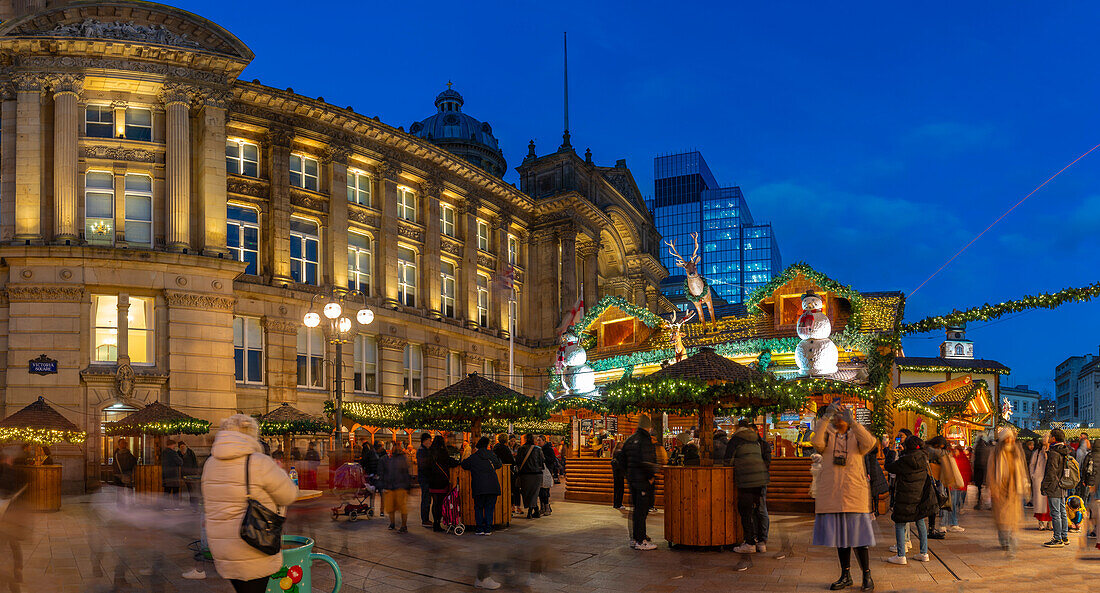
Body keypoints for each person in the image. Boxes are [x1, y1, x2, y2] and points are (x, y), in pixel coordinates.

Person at [202, 414, 297, 593]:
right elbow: (288, 495)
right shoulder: (258, 462)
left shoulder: (210, 464)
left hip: (222, 549)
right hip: (253, 544)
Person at [811, 405, 877, 592]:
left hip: (854, 494)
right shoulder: (827, 435)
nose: (839, 418)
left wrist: (854, 423)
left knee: (859, 539)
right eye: (836, 415)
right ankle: (845, 575)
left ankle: (867, 575)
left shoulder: (857, 436)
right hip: (833, 495)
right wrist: (824, 418)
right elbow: (816, 443)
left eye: (842, 415)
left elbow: (870, 443)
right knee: (841, 539)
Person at [884, 436, 936, 565]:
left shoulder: (904, 460)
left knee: (900, 523)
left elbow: (889, 467)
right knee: (920, 522)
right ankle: (924, 553)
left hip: (905, 497)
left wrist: (893, 451)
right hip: (920, 496)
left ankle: (901, 555)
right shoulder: (924, 458)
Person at [726, 419, 770, 554]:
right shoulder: (756, 438)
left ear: (737, 427)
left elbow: (727, 460)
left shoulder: (735, 439)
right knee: (758, 509)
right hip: (761, 478)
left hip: (746, 478)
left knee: (744, 510)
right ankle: (761, 543)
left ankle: (750, 543)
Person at [987, 428, 1029, 557]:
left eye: (1011, 438)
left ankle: (1011, 542)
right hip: (1000, 489)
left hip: (1014, 490)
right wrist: (993, 489)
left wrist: (1025, 485)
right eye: (1007, 438)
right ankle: (1004, 540)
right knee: (1001, 519)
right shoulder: (996, 453)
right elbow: (991, 471)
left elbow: (1022, 469)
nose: (1010, 440)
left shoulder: (1017, 452)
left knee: (1012, 519)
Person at [620, 414, 658, 551]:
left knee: (636, 510)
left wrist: (628, 474)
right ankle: (640, 540)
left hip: (633, 480)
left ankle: (636, 537)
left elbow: (621, 459)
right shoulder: (645, 440)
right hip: (643, 480)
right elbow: (647, 460)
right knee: (641, 510)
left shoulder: (630, 439)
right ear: (648, 427)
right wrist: (650, 476)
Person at [462, 437, 503, 535]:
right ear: (487, 445)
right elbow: (499, 465)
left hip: (479, 486)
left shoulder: (474, 457)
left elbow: (464, 465)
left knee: (479, 507)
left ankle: (479, 529)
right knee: (489, 508)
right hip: (492, 486)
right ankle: (488, 529)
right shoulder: (492, 455)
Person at [926, 436, 964, 535]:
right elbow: (935, 452)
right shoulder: (928, 449)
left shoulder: (937, 451)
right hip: (932, 479)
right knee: (938, 502)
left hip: (939, 479)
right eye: (938, 447)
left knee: (942, 501)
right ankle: (936, 527)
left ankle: (935, 527)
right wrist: (948, 453)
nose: (939, 449)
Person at [1042, 428, 1072, 547]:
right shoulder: (1065, 451)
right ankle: (1064, 536)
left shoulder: (1054, 453)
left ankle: (1057, 538)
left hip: (1054, 486)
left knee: (1055, 513)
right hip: (1063, 485)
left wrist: (1044, 485)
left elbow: (1051, 472)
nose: (1049, 438)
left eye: (1050, 436)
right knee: (1062, 512)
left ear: (1054, 438)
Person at [426, 435, 460, 532]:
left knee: (435, 503)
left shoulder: (429, 452)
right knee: (440, 503)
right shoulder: (443, 452)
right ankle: (438, 523)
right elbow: (451, 462)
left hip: (432, 481)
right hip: (441, 481)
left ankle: (435, 523)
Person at [378, 440, 412, 533]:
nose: (396, 447)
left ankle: (403, 525)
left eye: (397, 445)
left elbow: (406, 473)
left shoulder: (401, 459)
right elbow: (382, 472)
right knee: (390, 507)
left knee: (401, 507)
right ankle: (393, 523)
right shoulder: (386, 458)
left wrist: (408, 486)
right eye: (395, 445)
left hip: (400, 486)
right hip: (390, 486)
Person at [515, 433, 545, 519]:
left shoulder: (520, 449)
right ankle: (532, 511)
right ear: (533, 440)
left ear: (525, 439)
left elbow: (518, 461)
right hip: (536, 474)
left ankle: (531, 511)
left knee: (526, 493)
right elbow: (542, 460)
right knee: (534, 493)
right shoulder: (538, 449)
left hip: (525, 475)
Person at [1030, 434, 1052, 530]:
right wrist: (1033, 475)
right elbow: (1032, 464)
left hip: (1050, 480)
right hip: (1039, 479)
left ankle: (1050, 523)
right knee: (1040, 502)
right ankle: (1041, 522)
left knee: (1050, 503)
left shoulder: (1052, 451)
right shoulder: (1038, 452)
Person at [415, 433, 433, 528]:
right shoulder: (422, 451)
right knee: (426, 499)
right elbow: (423, 466)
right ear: (425, 440)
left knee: (427, 499)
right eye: (429, 440)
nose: (430, 442)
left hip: (425, 478)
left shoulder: (425, 450)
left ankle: (426, 519)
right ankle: (425, 520)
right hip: (425, 478)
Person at [111, 439, 136, 504]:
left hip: (118, 474)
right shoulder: (127, 453)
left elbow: (114, 464)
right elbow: (133, 462)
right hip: (126, 474)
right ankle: (130, 503)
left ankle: (120, 504)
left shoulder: (116, 454)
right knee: (129, 490)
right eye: (124, 443)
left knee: (120, 491)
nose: (125, 444)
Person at [161, 440, 184, 510]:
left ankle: (165, 506)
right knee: (175, 491)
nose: (175, 447)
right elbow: (180, 462)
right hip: (173, 475)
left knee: (167, 492)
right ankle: (176, 506)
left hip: (166, 475)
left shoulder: (163, 453)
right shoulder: (173, 453)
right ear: (171, 445)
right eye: (174, 445)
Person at [179, 441, 200, 510]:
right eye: (181, 447)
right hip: (184, 474)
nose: (182, 448)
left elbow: (195, 462)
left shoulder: (190, 452)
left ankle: (194, 504)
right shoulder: (178, 453)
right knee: (188, 489)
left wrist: (195, 472)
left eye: (183, 446)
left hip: (191, 474)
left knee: (192, 490)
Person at [971, 437, 990, 510]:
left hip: (978, 469)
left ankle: (979, 501)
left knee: (979, 487)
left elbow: (974, 460)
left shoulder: (977, 448)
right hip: (984, 469)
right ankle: (988, 503)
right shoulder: (986, 449)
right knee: (987, 487)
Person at [610, 436, 626, 510]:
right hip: (620, 474)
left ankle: (615, 503)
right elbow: (623, 463)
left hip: (616, 474)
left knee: (616, 489)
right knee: (620, 489)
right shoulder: (620, 453)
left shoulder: (614, 453)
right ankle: (619, 504)